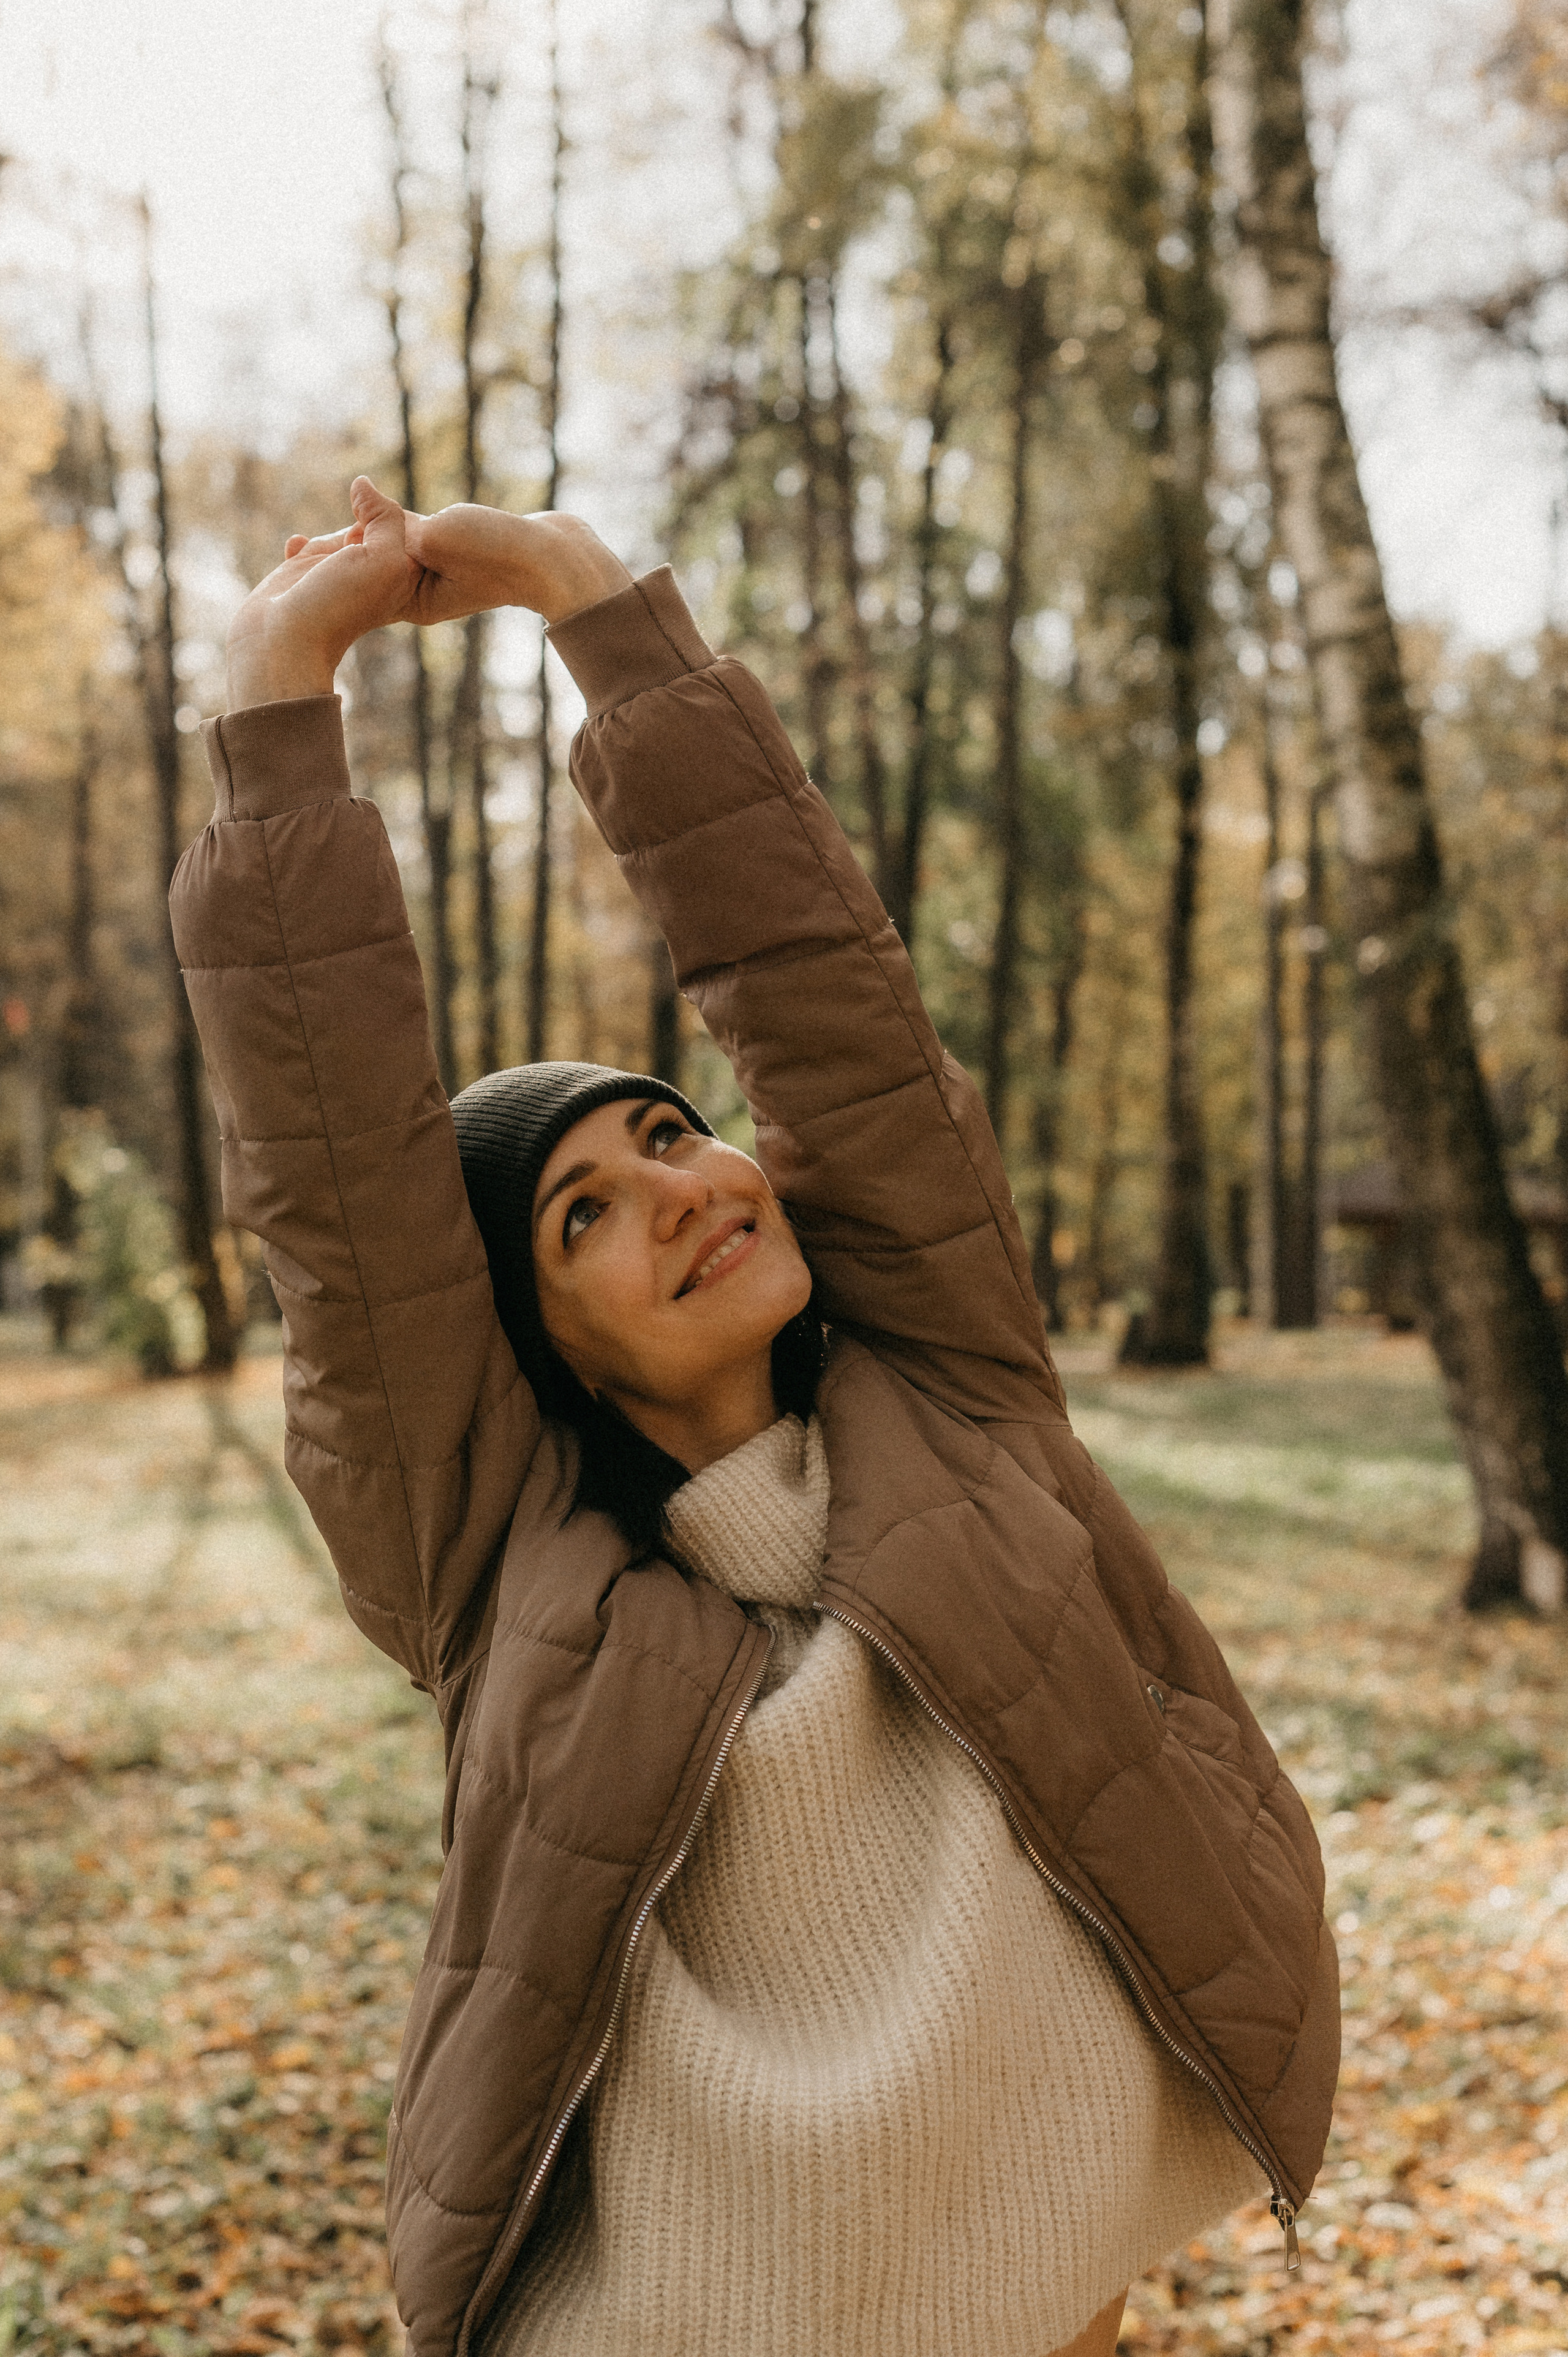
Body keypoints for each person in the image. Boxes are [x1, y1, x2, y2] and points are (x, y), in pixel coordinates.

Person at [171, 479, 1339, 2357]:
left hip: (1049, 2279)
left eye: (668, 1131)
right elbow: (343, 1196)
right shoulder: (496, 1562)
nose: (684, 1186)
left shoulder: (954, 1389)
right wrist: (275, 698)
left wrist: (595, 609)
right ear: (535, 1346)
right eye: (586, 1215)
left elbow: (822, 997)